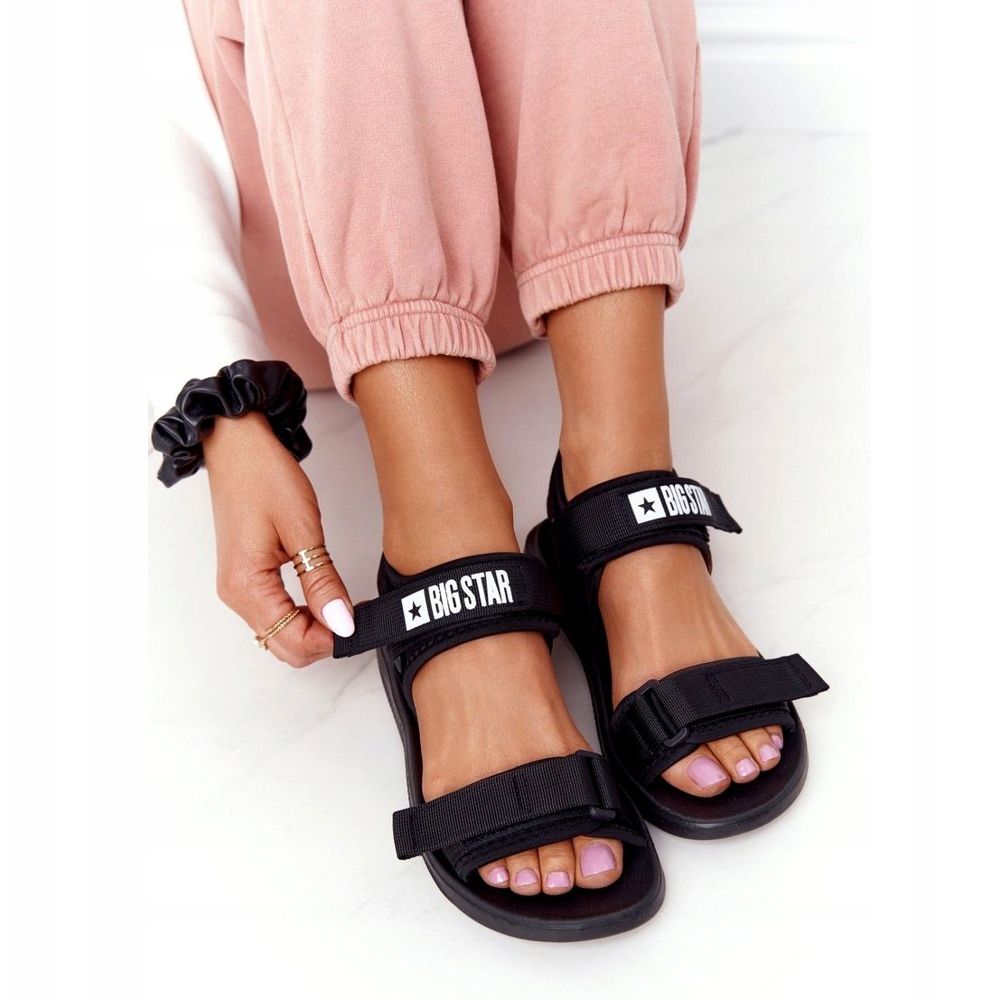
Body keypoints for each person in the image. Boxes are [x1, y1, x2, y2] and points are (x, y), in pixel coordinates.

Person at [151, 0, 827, 940]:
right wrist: (219, 404)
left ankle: (620, 465)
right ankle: (443, 536)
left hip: (532, 232)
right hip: (322, 264)